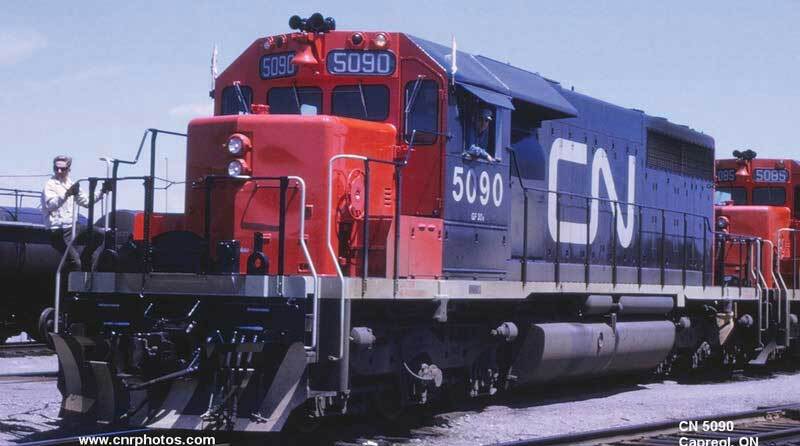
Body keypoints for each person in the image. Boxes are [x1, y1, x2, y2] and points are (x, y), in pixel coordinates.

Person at [42, 155, 111, 271]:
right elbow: (50, 205)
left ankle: (86, 257)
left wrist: (102, 192)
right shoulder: (50, 185)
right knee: (75, 263)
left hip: (73, 226)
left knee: (99, 234)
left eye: (62, 169)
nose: (59, 171)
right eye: (56, 168)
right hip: (57, 230)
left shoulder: (71, 184)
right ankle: (68, 282)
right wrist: (66, 194)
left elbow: (86, 202)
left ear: (69, 169)